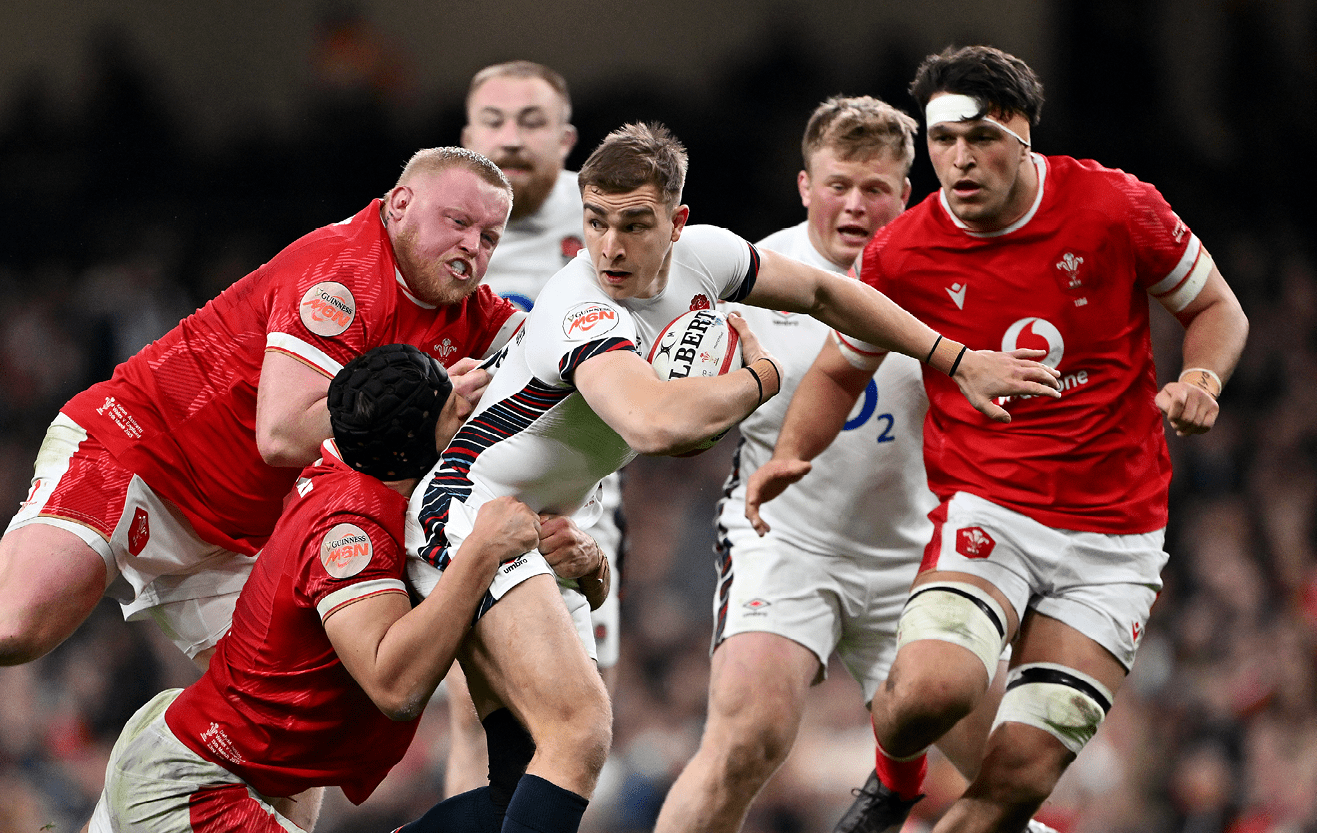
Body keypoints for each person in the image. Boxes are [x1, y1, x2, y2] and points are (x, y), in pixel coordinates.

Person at [392, 122, 1062, 833]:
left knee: (520, 782)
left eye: (633, 224)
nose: (610, 246)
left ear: (676, 224)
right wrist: (757, 379)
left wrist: (955, 357)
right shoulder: (580, 303)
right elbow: (651, 424)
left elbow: (827, 295)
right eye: (594, 221)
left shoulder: (706, 257)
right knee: (579, 732)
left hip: (542, 522)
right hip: (470, 507)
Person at [0, 147, 525, 693]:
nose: (472, 247)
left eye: (489, 236)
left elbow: (553, 334)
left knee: (297, 734)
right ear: (400, 202)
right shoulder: (342, 278)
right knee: (14, 623)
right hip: (137, 451)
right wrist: (427, 425)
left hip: (235, 536)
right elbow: (279, 432)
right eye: (458, 222)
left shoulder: (465, 304)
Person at [749, 47, 1248, 833]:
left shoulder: (1115, 206)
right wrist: (790, 453)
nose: (957, 158)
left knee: (1013, 784)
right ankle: (893, 778)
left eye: (977, 137)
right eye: (941, 140)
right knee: (925, 695)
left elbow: (1217, 307)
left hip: (1113, 541)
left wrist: (1202, 383)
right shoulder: (902, 251)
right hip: (989, 511)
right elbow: (840, 369)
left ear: (1020, 134)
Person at [655, 94, 1033, 833]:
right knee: (744, 740)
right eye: (837, 185)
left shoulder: (957, 280)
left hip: (920, 558)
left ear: (906, 193)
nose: (854, 205)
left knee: (1006, 774)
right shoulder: (750, 279)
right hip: (787, 543)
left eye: (874, 189)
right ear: (805, 186)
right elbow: (683, 414)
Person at [91, 344, 581, 833]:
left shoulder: (351, 459)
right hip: (195, 788)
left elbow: (390, 413)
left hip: (203, 758)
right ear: (411, 443)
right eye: (447, 405)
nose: (462, 412)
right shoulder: (350, 531)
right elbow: (396, 686)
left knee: (505, 809)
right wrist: (482, 551)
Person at [445, 58, 631, 799]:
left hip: (579, 498)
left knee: (580, 709)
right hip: (466, 486)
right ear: (466, 136)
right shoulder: (438, 226)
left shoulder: (610, 224)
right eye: (492, 121)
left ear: (568, 139)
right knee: (474, 705)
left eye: (530, 123)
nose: (510, 138)